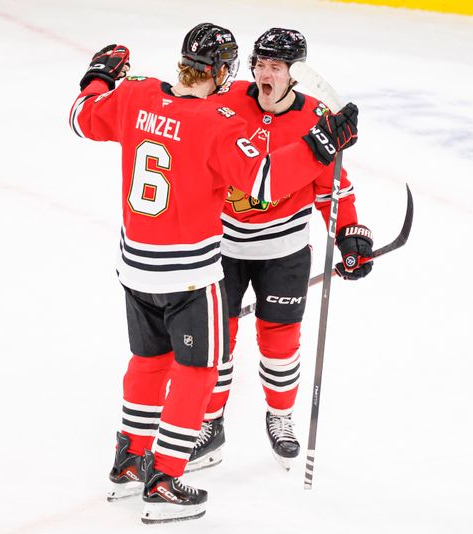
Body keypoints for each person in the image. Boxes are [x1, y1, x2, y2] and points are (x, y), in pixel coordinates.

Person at [69, 23, 359, 523]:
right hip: (190, 275)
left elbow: (80, 118)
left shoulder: (135, 95)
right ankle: (163, 478)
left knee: (148, 360)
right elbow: (265, 182)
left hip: (136, 269)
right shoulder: (216, 121)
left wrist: (98, 78)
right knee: (199, 371)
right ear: (226, 71)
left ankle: (128, 461)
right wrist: (321, 146)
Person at [186, 28, 374, 473]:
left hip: (285, 253)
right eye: (261, 64)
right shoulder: (226, 100)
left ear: (296, 74)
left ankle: (281, 417)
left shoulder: (316, 120)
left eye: (277, 67)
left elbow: (332, 191)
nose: (265, 75)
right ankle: (209, 425)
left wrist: (350, 234)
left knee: (280, 343)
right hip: (223, 248)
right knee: (218, 344)